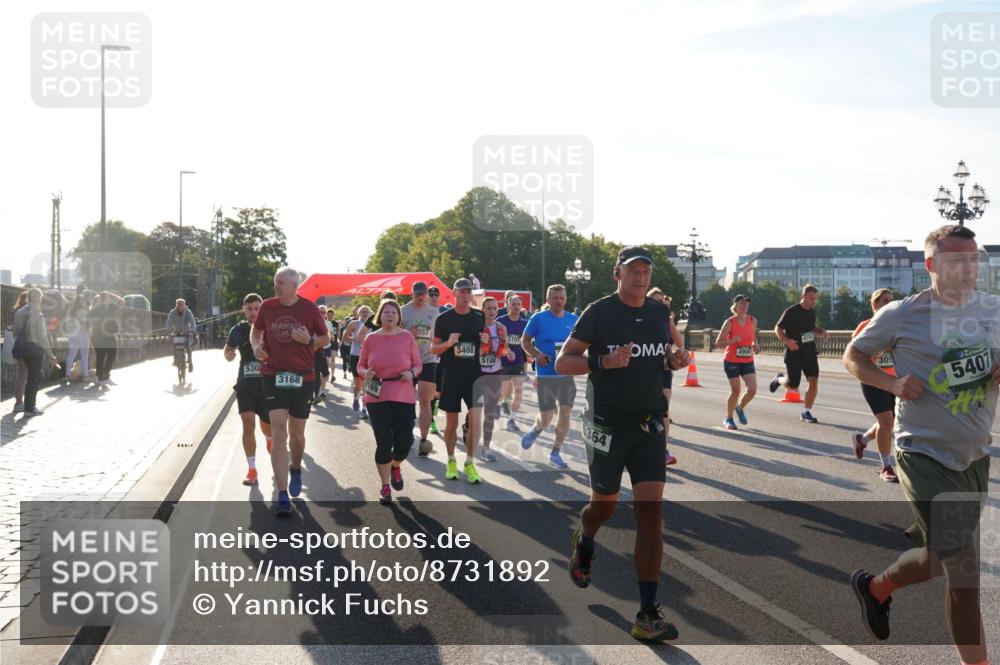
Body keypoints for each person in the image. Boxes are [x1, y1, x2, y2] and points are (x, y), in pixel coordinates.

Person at [844, 224, 996, 664]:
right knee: (964, 573)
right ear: (931, 264)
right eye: (957, 260)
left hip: (974, 457)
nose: (969, 268)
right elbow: (854, 355)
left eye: (974, 259)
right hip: (922, 453)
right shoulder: (902, 314)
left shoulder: (992, 309)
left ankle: (876, 588)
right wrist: (891, 383)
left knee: (935, 559)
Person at [557, 246, 689, 642]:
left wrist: (674, 360)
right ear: (618, 273)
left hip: (649, 424)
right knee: (605, 506)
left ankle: (647, 614)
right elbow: (564, 361)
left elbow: (665, 354)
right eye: (634, 271)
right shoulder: (599, 312)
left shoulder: (659, 314)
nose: (641, 278)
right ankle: (585, 541)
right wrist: (603, 361)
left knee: (651, 513)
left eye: (646, 272)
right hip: (606, 423)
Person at [250, 267, 330, 517]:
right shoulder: (268, 307)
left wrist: (309, 341)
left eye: (281, 282)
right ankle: (282, 495)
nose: (276, 285)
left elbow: (326, 339)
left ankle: (296, 467)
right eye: (276, 281)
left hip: (302, 377)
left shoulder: (309, 309)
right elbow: (256, 331)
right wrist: (256, 347)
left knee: (297, 435)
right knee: (279, 433)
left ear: (295, 286)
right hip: (273, 374)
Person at [358, 299, 423, 504]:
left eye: (394, 312)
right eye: (386, 312)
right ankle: (385, 486)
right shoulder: (370, 339)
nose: (390, 315)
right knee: (384, 442)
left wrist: (411, 372)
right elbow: (360, 366)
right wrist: (365, 373)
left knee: (405, 442)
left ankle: (395, 465)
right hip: (377, 395)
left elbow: (418, 365)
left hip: (403, 393)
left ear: (398, 317)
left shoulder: (407, 337)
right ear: (380, 315)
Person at [430, 277, 486, 483]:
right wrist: (448, 343)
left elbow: (486, 346)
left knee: (475, 422)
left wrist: (486, 342)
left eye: (468, 291)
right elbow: (433, 349)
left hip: (474, 376)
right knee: (452, 423)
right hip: (451, 375)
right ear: (454, 293)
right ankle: (451, 459)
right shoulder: (443, 319)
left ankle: (470, 462)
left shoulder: (479, 316)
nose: (465, 294)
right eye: (461, 291)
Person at [520, 285, 579, 469]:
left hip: (566, 375)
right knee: (546, 418)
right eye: (555, 298)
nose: (559, 301)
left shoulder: (573, 319)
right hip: (546, 374)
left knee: (565, 413)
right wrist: (537, 355)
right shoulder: (539, 318)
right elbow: (525, 341)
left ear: (565, 299)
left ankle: (555, 452)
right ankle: (537, 428)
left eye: (561, 298)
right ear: (548, 300)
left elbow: (581, 344)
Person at [850, 288, 899, 483]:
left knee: (889, 422)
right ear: (875, 305)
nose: (889, 304)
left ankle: (861, 440)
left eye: (891, 301)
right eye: (885, 301)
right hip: (873, 380)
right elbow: (854, 356)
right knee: (886, 422)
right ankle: (886, 466)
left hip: (893, 381)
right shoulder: (866, 326)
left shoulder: (897, 327)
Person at [223, 293, 273, 486]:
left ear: (262, 309)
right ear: (243, 310)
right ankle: (252, 469)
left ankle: (269, 440)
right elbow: (227, 350)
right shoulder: (238, 330)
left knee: (267, 427)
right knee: (248, 424)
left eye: (257, 308)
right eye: (250, 309)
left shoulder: (270, 328)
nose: (253, 312)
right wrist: (229, 354)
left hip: (267, 385)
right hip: (245, 385)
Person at [769, 284, 828, 423]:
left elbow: (811, 327)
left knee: (813, 381)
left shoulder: (812, 312)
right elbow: (777, 328)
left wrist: (821, 331)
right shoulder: (791, 311)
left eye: (815, 299)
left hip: (809, 352)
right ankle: (779, 379)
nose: (813, 301)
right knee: (793, 384)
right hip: (794, 352)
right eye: (811, 298)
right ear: (803, 296)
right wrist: (787, 341)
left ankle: (806, 412)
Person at [646, 288, 685, 465]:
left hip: (663, 368)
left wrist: (670, 321)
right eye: (655, 300)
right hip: (643, 370)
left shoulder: (665, 320)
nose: (660, 303)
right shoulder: (640, 318)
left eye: (662, 300)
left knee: (663, 409)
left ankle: (663, 450)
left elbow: (679, 343)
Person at [401, 281, 439, 456]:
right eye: (418, 294)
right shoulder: (403, 311)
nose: (421, 297)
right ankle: (407, 433)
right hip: (407, 361)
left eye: (424, 294)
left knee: (425, 399)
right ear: (412, 294)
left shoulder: (434, 311)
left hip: (428, 359)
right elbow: (393, 334)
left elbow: (437, 335)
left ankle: (423, 440)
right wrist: (409, 334)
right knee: (408, 401)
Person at [475, 297, 514, 461]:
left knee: (490, 412)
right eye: (488, 308)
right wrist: (479, 349)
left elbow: (504, 348)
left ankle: (486, 447)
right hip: (477, 374)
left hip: (495, 372)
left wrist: (509, 353)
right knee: (474, 412)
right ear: (482, 310)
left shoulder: (501, 328)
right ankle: (468, 430)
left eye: (494, 308)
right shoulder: (476, 327)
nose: (492, 311)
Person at [715, 294, 760, 430]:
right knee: (736, 391)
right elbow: (718, 343)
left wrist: (756, 345)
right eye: (741, 303)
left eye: (746, 303)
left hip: (747, 360)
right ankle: (729, 418)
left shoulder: (752, 320)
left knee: (752, 390)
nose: (744, 306)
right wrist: (732, 341)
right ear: (735, 306)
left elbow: (753, 337)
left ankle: (739, 408)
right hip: (732, 361)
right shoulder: (730, 322)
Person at [13, 288, 60, 416]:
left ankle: (23, 404)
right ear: (39, 298)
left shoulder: (19, 313)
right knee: (33, 378)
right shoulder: (39, 315)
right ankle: (30, 407)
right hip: (35, 349)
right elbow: (43, 338)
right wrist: (51, 354)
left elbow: (16, 331)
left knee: (24, 375)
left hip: (22, 348)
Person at [498, 294, 529, 432]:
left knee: (518, 391)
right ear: (508, 305)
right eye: (513, 304)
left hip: (518, 361)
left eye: (518, 304)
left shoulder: (525, 323)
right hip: (503, 361)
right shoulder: (501, 321)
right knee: (503, 392)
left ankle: (512, 419)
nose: (516, 307)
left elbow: (528, 342)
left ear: (521, 306)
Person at [89, 291, 125, 387]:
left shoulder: (109, 307)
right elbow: (121, 301)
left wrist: (110, 294)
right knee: (104, 357)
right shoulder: (101, 308)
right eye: (108, 297)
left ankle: (103, 377)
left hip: (104, 335)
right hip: (101, 336)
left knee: (108, 356)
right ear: (105, 298)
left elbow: (122, 302)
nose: (110, 298)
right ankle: (101, 378)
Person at [345, 306, 373, 419]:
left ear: (370, 313)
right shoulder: (354, 324)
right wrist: (355, 339)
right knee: (358, 383)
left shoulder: (373, 324)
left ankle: (364, 408)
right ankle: (356, 397)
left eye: (367, 312)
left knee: (367, 383)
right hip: (355, 355)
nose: (365, 313)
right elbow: (344, 338)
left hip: (369, 357)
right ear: (358, 313)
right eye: (362, 311)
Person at [63, 288, 93, 385]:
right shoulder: (84, 311)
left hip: (73, 335)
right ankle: (86, 376)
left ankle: (67, 375)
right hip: (83, 335)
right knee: (84, 355)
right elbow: (87, 324)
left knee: (71, 355)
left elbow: (67, 324)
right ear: (82, 302)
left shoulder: (71, 313)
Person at [427, 286, 446, 435]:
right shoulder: (422, 311)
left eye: (436, 294)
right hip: (428, 357)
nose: (433, 297)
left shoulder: (445, 311)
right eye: (431, 294)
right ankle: (431, 421)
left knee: (440, 390)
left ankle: (435, 402)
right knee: (431, 389)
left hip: (443, 355)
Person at [8, 290, 29, 413]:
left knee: (21, 373)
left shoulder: (16, 311)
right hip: (25, 344)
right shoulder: (27, 312)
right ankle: (19, 402)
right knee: (23, 373)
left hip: (17, 344)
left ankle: (19, 401)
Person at [166, 298, 197, 373]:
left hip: (187, 333)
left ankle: (190, 362)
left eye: (181, 305)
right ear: (176, 305)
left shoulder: (188, 312)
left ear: (184, 305)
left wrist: (192, 331)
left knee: (188, 347)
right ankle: (175, 359)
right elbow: (168, 323)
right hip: (176, 333)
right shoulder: (172, 313)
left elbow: (192, 322)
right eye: (178, 305)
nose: (180, 307)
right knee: (173, 345)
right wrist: (169, 332)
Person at [312, 305, 332, 405]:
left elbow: (329, 336)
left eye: (324, 312)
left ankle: (320, 390)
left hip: (324, 349)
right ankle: (316, 395)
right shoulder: (313, 322)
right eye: (320, 312)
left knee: (326, 373)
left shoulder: (327, 323)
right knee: (316, 374)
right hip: (315, 351)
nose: (322, 314)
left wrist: (330, 337)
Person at [339, 308, 357, 379]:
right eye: (346, 320)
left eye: (348, 320)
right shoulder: (342, 329)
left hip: (350, 347)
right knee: (344, 360)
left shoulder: (353, 328)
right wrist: (339, 345)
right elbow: (341, 338)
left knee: (350, 360)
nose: (347, 322)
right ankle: (344, 373)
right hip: (343, 346)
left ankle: (350, 366)